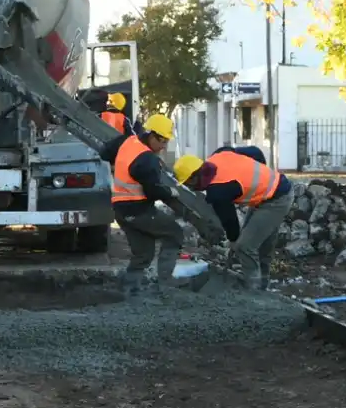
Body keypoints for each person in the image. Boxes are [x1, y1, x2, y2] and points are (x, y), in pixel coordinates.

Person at [174, 144, 292, 291]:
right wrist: (259, 177)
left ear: (192, 179)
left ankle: (254, 291)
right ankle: (262, 286)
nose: (190, 188)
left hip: (277, 199)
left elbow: (231, 225)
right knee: (258, 244)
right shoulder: (218, 154)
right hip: (269, 192)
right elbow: (255, 152)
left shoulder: (217, 192)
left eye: (187, 184)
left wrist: (234, 242)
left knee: (245, 247)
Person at [102, 113, 181, 298]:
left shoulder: (127, 141)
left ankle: (129, 290)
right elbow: (153, 192)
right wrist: (170, 192)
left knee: (143, 253)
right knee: (175, 233)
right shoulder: (147, 159)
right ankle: (165, 285)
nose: (164, 146)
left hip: (121, 211)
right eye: (163, 141)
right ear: (152, 135)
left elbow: (104, 153)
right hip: (138, 210)